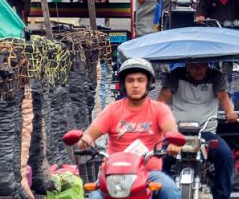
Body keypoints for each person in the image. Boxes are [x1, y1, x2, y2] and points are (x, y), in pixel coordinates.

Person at [76, 59, 181, 199]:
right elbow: (90, 133)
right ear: (124, 84)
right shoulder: (113, 109)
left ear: (148, 83)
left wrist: (174, 142)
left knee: (170, 190)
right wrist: (86, 139)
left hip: (149, 174)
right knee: (94, 197)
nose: (135, 85)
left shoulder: (159, 109)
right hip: (112, 175)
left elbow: (171, 131)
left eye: (140, 80)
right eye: (130, 80)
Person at [157, 63, 237, 199]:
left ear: (207, 65)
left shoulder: (216, 77)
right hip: (176, 133)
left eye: (201, 66)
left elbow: (223, 96)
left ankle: (222, 196)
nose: (198, 70)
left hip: (206, 133)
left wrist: (230, 112)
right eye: (194, 66)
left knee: (225, 155)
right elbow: (163, 97)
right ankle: (161, 192)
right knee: (158, 157)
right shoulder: (176, 75)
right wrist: (157, 113)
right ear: (187, 65)